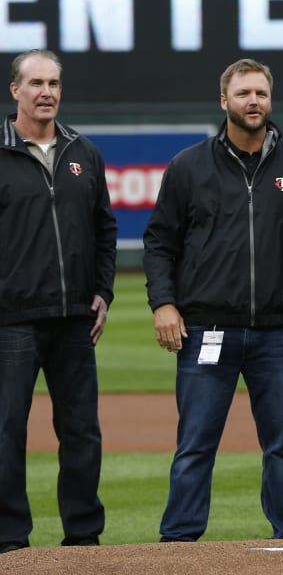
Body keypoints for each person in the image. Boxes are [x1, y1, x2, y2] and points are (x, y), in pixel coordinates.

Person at [144, 58, 283, 542]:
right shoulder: (188, 167)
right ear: (224, 101)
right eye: (243, 93)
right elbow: (159, 243)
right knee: (195, 444)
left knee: (282, 446)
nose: (253, 101)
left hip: (279, 331)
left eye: (261, 93)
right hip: (208, 329)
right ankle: (179, 543)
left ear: (270, 101)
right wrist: (163, 303)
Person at [0, 48, 117, 554]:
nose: (46, 92)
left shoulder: (83, 152)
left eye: (53, 83)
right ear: (15, 91)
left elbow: (104, 228)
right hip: (11, 320)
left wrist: (103, 291)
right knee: (6, 433)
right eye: (36, 83)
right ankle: (8, 537)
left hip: (74, 318)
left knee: (82, 433)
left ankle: (83, 535)